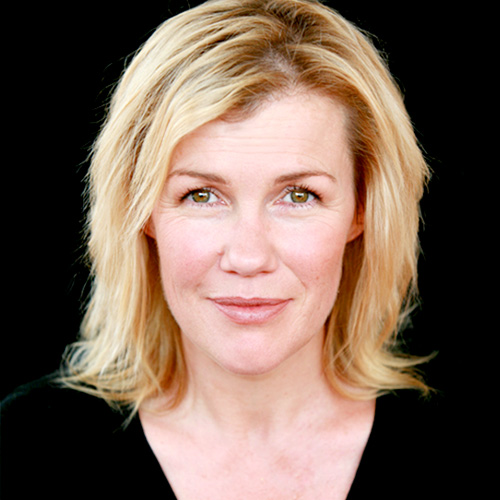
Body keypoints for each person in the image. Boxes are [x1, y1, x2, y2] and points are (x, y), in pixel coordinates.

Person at [2, 1, 452, 498]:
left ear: (362, 209)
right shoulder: (24, 446)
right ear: (141, 210)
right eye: (201, 195)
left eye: (299, 196)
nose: (248, 257)